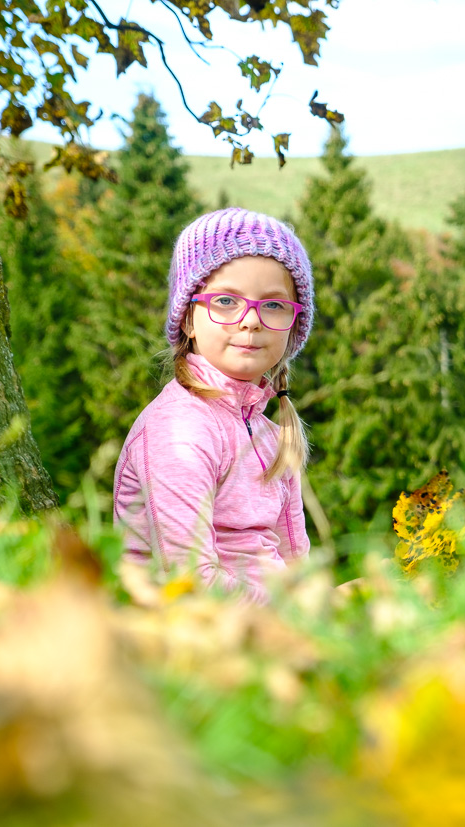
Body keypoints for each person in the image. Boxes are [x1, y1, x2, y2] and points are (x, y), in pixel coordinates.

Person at [113, 207, 315, 604]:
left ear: (293, 325)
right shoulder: (177, 430)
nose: (251, 321)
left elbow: (296, 565)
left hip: (275, 624)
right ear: (189, 317)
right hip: (192, 634)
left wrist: (325, 604)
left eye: (274, 305)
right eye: (226, 301)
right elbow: (191, 583)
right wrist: (302, 611)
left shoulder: (272, 436)